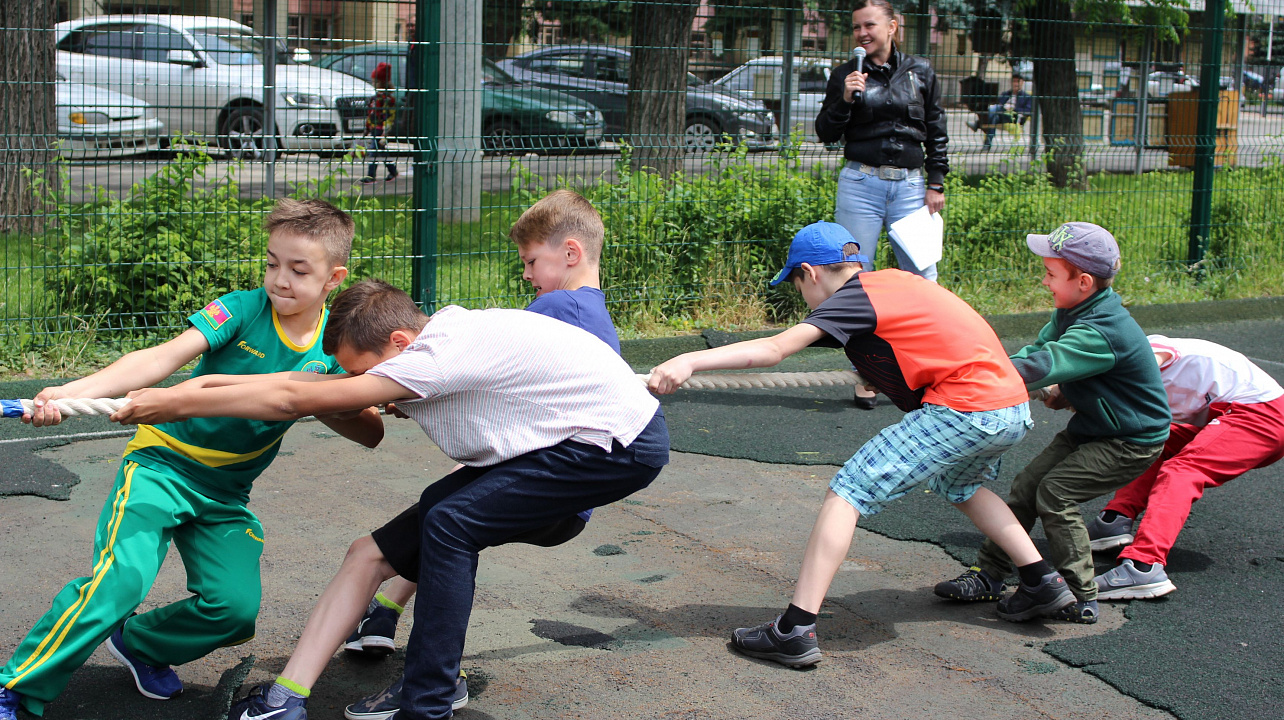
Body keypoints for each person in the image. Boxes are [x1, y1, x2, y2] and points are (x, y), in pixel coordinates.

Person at [110, 278, 668, 720]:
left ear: (399, 344)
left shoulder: (436, 356)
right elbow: (295, 384)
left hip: (617, 445)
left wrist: (178, 406)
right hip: (555, 445)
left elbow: (290, 400)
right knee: (369, 552)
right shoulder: (431, 346)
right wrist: (194, 389)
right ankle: (286, 698)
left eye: (364, 372)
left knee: (449, 522)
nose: (365, 386)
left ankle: (426, 701)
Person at [0, 200, 381, 720]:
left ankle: (142, 646)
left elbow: (371, 432)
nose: (280, 279)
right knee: (119, 583)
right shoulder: (243, 308)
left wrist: (327, 396)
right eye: (272, 263)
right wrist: (68, 394)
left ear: (334, 277)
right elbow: (161, 358)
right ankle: (17, 690)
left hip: (226, 493)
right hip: (161, 465)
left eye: (298, 269)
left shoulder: (331, 346)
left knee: (233, 610)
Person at [647, 221, 1074, 669]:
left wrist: (690, 359)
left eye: (797, 285)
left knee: (847, 492)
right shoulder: (895, 283)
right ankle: (1041, 581)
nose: (804, 301)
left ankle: (794, 630)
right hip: (1008, 408)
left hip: (965, 408)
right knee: (960, 485)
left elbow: (774, 350)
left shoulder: (854, 298)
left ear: (810, 273)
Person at [340, 189, 626, 720]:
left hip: (554, 478)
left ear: (570, 254)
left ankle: (426, 680)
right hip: (563, 479)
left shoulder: (559, 306)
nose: (526, 274)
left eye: (530, 261)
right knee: (447, 516)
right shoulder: (594, 314)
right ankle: (389, 617)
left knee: (448, 522)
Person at [933, 222, 1171, 625]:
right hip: (1094, 427)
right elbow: (1037, 350)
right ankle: (991, 573)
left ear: (1083, 281)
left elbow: (1045, 364)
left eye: (1050, 274)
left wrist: (976, 376)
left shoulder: (1103, 329)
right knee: (1027, 487)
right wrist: (991, 369)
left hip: (1131, 439)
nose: (1044, 281)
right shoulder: (1071, 310)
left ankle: (1078, 593)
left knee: (1056, 495)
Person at [1086, 336, 1284, 600]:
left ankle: (1144, 566)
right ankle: (1114, 520)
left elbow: (1148, 363)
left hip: (1262, 415)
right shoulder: (1113, 358)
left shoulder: (1142, 350)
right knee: (1155, 440)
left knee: (1182, 471)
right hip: (1229, 410)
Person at [815, 0, 948, 283]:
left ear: (891, 27)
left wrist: (936, 182)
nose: (862, 33)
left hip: (911, 189)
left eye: (869, 25)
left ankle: (920, 327)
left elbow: (936, 129)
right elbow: (825, 134)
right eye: (856, 27)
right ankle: (861, 328)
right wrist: (845, 99)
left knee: (923, 274)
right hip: (860, 188)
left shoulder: (920, 71)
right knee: (854, 273)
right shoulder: (844, 75)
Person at [965, 74, 1033, 150]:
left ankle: (978, 124)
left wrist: (1012, 109)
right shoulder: (1006, 94)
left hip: (1013, 117)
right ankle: (987, 143)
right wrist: (1004, 108)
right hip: (1001, 115)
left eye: (1018, 81)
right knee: (994, 117)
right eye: (1014, 81)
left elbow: (1028, 110)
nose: (1015, 83)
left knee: (994, 110)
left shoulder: (1027, 97)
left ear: (1022, 82)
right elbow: (998, 102)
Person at [361, 62, 399, 185]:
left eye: (376, 82)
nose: (374, 84)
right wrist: (367, 127)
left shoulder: (387, 100)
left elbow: (388, 116)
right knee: (381, 152)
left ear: (383, 83)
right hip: (373, 128)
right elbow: (371, 114)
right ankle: (393, 172)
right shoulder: (375, 98)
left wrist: (385, 132)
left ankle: (371, 176)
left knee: (374, 152)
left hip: (380, 130)